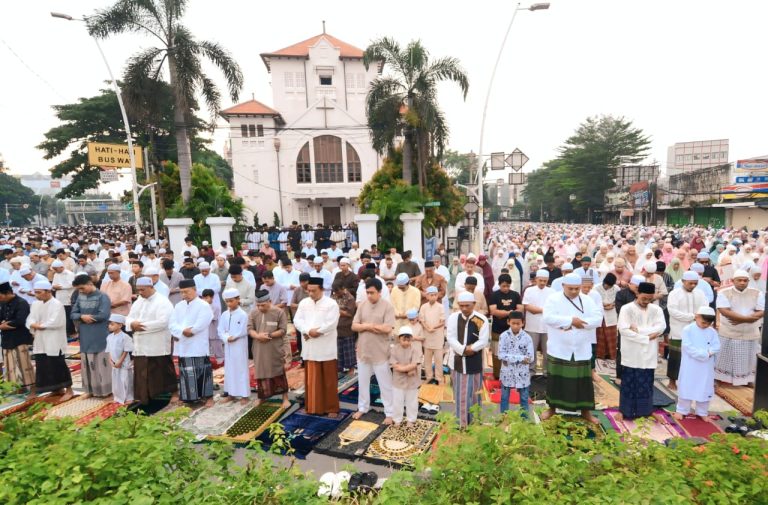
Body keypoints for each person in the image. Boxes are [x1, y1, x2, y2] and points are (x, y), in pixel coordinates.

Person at [540, 273, 602, 424]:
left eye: (577, 289)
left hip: (581, 348)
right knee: (556, 381)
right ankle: (552, 409)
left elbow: (598, 318)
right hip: (559, 347)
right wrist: (571, 321)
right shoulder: (553, 299)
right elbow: (548, 317)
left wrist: (582, 323)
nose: (574, 291)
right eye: (571, 289)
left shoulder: (587, 300)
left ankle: (585, 412)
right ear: (563, 286)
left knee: (583, 383)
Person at [616, 282, 666, 420]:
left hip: (649, 352)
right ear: (637, 294)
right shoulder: (626, 309)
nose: (646, 302)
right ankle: (624, 411)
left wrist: (638, 330)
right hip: (631, 351)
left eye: (650, 299)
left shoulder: (656, 310)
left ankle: (645, 412)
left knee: (646, 383)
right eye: (644, 298)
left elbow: (661, 327)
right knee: (628, 382)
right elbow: (624, 330)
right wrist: (646, 337)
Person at [293, 278, 341, 416]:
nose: (310, 293)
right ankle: (313, 407)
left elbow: (331, 324)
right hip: (310, 346)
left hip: (326, 347)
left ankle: (331, 408)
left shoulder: (331, 304)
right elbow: (297, 320)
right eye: (308, 290)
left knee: (329, 380)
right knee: (312, 380)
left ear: (322, 289)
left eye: (313, 291)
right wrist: (308, 331)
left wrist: (317, 332)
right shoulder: (304, 303)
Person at [351, 278, 395, 424]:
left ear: (380, 292)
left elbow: (388, 328)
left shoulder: (387, 307)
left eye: (372, 293)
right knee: (362, 381)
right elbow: (354, 326)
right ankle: (363, 408)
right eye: (367, 292)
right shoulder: (363, 305)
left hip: (380, 351)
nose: (369, 296)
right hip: (363, 350)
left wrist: (367, 326)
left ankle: (390, 412)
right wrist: (371, 327)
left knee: (385, 383)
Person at [127, 277, 177, 405]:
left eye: (142, 290)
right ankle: (144, 397)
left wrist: (140, 327)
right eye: (138, 290)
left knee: (163, 370)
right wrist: (132, 324)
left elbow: (163, 322)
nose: (140, 293)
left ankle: (173, 393)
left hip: (157, 343)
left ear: (151, 287)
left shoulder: (162, 302)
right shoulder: (139, 301)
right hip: (141, 343)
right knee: (142, 371)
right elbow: (129, 317)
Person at [26, 280, 74, 401]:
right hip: (40, 339)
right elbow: (30, 319)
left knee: (58, 363)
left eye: (39, 292)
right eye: (35, 292)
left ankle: (69, 390)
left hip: (54, 339)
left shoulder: (57, 304)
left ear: (48, 291)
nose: (36, 295)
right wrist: (34, 325)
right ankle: (56, 389)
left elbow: (56, 322)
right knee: (44, 364)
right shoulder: (36, 304)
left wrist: (38, 326)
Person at [447, 291, 489, 427]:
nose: (464, 309)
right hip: (458, 362)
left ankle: (475, 423)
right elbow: (451, 337)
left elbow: (483, 341)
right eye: (461, 305)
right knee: (460, 396)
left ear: (474, 304)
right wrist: (464, 350)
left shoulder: (481, 319)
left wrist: (471, 349)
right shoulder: (453, 317)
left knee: (475, 395)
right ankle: (462, 425)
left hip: (474, 363)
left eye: (467, 306)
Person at [715, 269, 764, 386]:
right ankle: (718, 377)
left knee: (749, 357)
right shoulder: (724, 292)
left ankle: (746, 379)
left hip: (750, 331)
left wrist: (743, 320)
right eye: (739, 280)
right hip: (730, 330)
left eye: (745, 280)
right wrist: (747, 319)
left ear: (748, 281)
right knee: (724, 357)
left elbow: (761, 310)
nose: (742, 282)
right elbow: (724, 310)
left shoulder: (757, 292)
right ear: (733, 280)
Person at [170, 279, 214, 406]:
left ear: (194, 290)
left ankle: (208, 397)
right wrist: (181, 332)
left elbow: (204, 321)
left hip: (198, 343)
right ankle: (190, 398)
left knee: (203, 371)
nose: (184, 295)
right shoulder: (179, 306)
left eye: (187, 292)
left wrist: (193, 330)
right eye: (182, 292)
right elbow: (172, 323)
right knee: (186, 373)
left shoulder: (203, 305)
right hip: (183, 344)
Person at [673, 306, 721, 421]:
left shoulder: (712, 331)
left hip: (706, 366)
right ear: (697, 317)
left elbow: (716, 346)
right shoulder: (688, 329)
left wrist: (709, 353)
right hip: (690, 363)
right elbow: (688, 347)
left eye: (708, 324)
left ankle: (702, 412)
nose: (705, 325)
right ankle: (682, 410)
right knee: (687, 385)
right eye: (703, 322)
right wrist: (705, 354)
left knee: (704, 387)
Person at [71, 274, 113, 397]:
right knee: (87, 362)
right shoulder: (80, 296)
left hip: (99, 333)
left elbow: (104, 315)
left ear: (90, 284)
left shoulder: (103, 297)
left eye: (82, 288)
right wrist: (81, 316)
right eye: (79, 289)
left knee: (101, 361)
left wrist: (90, 317)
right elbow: (73, 313)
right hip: (85, 334)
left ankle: (106, 390)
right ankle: (90, 390)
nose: (80, 291)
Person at [666, 271, 708, 389]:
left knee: (694, 357)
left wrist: (700, 318)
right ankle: (672, 381)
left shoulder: (700, 293)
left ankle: (691, 381)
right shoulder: (675, 294)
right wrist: (693, 316)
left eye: (695, 283)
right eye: (690, 283)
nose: (693, 286)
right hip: (679, 330)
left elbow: (705, 308)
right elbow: (673, 312)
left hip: (697, 329)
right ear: (683, 281)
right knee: (676, 357)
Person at [0, 281, 35, 395]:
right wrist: (3, 325)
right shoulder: (3, 303)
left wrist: (6, 325)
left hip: (20, 338)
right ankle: (15, 387)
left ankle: (31, 388)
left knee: (23, 363)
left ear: (8, 293)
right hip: (7, 338)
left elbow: (21, 320)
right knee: (10, 364)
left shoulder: (21, 303)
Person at [497, 311, 534, 418]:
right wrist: (521, 358)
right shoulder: (503, 336)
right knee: (504, 397)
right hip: (507, 372)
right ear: (508, 322)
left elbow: (530, 358)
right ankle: (504, 419)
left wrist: (510, 358)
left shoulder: (527, 338)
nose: (516, 326)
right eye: (513, 323)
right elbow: (501, 355)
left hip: (522, 373)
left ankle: (524, 421)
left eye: (518, 323)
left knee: (524, 398)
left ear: (523, 323)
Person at [218, 288, 251, 403]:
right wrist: (226, 338)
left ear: (238, 300)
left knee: (241, 368)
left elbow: (244, 330)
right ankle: (231, 393)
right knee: (229, 369)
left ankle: (244, 395)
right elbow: (220, 329)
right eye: (226, 301)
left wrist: (234, 337)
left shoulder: (243, 315)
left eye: (231, 301)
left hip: (239, 345)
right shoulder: (224, 314)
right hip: (228, 345)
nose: (229, 304)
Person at [488, 273, 523, 380]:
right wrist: (510, 313)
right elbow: (493, 311)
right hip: (497, 329)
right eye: (503, 286)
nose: (506, 288)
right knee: (497, 354)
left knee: (512, 352)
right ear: (499, 285)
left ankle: (512, 374)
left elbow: (520, 310)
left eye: (508, 286)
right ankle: (497, 375)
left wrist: (504, 312)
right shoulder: (494, 295)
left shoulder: (516, 295)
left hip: (513, 330)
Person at [522, 269, 553, 376]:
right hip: (532, 325)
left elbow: (553, 309)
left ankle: (547, 371)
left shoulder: (552, 292)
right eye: (541, 280)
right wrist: (543, 310)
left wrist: (538, 310)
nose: (543, 283)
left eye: (545, 281)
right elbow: (527, 307)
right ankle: (531, 371)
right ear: (536, 279)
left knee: (548, 350)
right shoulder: (529, 290)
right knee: (531, 350)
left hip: (547, 326)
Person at [390, 326, 422, 427]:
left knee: (412, 401)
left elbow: (415, 363)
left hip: (411, 380)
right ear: (399, 338)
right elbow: (394, 364)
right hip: (398, 380)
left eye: (408, 340)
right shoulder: (394, 349)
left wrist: (403, 369)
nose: (406, 342)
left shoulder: (415, 349)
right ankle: (397, 419)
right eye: (404, 340)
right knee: (397, 401)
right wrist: (407, 369)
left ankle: (411, 419)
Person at [419, 286, 445, 385]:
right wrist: (427, 328)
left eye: (435, 295)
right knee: (427, 359)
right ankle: (429, 377)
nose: (433, 297)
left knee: (438, 359)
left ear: (437, 296)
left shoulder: (440, 307)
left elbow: (442, 321)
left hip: (438, 337)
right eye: (431, 295)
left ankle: (439, 377)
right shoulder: (423, 307)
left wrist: (433, 327)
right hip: (427, 337)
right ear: (427, 296)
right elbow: (422, 320)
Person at [106, 314, 134, 404]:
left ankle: (129, 397)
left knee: (125, 380)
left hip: (123, 362)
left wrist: (120, 361)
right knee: (116, 380)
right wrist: (110, 360)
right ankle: (118, 397)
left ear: (120, 325)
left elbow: (126, 350)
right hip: (114, 362)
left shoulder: (125, 337)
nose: (110, 326)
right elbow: (109, 350)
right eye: (109, 324)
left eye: (112, 324)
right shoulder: (109, 337)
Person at [332, 285, 357, 374]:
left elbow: (350, 313)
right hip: (336, 328)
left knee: (348, 351)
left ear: (343, 289)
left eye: (338, 292)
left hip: (347, 328)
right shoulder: (333, 296)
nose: (337, 294)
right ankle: (340, 369)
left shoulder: (350, 298)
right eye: (335, 293)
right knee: (338, 351)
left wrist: (338, 311)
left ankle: (351, 369)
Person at [594, 272, 620, 361]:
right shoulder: (596, 288)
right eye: (606, 285)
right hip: (600, 313)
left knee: (610, 335)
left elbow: (618, 300)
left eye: (610, 286)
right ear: (604, 282)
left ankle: (611, 355)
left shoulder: (616, 288)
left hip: (611, 313)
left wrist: (613, 305)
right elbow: (593, 301)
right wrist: (603, 305)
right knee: (600, 334)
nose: (608, 287)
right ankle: (600, 355)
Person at [202, 289, 224, 364]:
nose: (205, 300)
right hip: (204, 332)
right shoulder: (201, 307)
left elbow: (212, 318)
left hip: (213, 331)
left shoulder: (215, 307)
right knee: (205, 350)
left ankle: (221, 363)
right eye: (203, 298)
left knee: (217, 349)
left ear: (212, 297)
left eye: (207, 298)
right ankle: (206, 363)